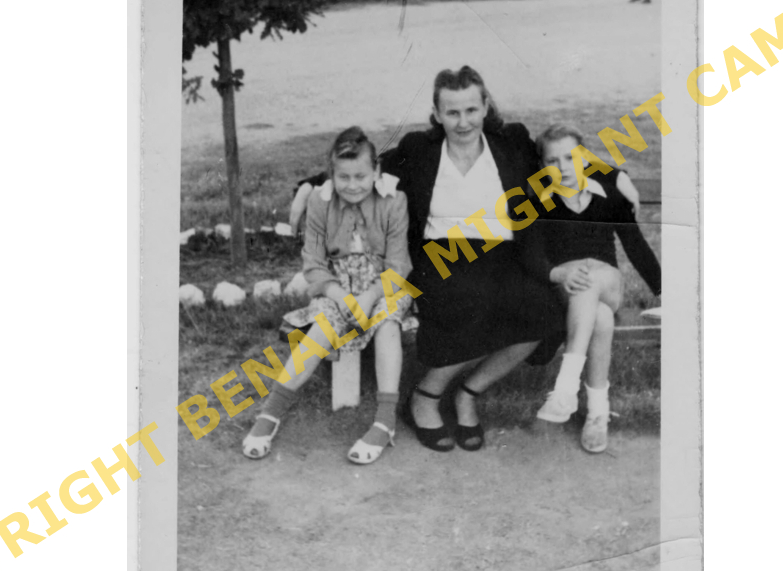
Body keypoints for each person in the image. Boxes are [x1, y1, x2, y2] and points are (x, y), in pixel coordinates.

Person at [380, 66, 564, 453]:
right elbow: (368, 167)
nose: (463, 122)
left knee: (544, 308)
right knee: (468, 299)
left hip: (503, 254)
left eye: (471, 110)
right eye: (452, 112)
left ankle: (468, 392)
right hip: (441, 257)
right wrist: (310, 188)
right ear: (437, 113)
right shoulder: (419, 149)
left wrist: (615, 177)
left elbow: (563, 162)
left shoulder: (512, 142)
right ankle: (425, 397)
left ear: (485, 106)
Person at [242, 127, 413, 465]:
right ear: (331, 175)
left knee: (388, 323)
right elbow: (315, 265)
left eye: (361, 176)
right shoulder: (320, 203)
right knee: (321, 328)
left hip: (383, 286)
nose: (353, 185)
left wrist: (369, 297)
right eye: (343, 177)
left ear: (376, 171)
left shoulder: (394, 200)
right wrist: (341, 296)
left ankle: (385, 421)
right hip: (336, 286)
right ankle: (271, 411)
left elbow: (398, 266)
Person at [524, 124, 662, 453]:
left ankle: (566, 388)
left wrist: (664, 293)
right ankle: (597, 412)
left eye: (571, 158)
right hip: (567, 289)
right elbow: (530, 255)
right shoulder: (538, 203)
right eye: (552, 161)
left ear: (585, 158)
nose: (563, 167)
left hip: (609, 283)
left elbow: (637, 247)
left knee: (592, 279)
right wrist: (559, 273)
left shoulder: (608, 195)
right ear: (542, 166)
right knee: (599, 316)